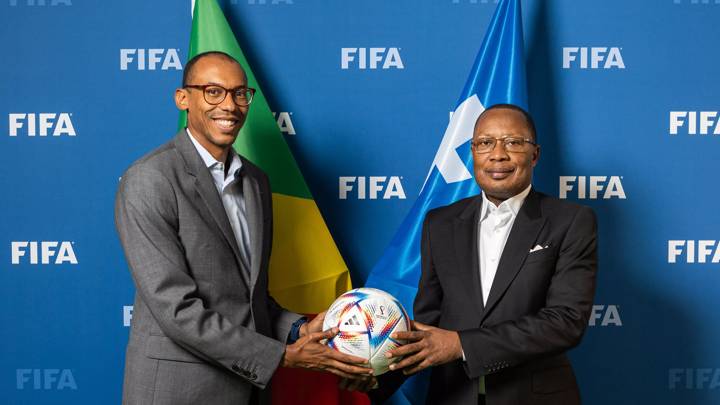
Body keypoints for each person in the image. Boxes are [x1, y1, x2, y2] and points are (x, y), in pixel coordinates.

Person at [115, 51, 372, 405]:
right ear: (182, 99)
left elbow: (249, 299)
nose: (230, 105)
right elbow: (176, 311)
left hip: (248, 391)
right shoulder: (149, 179)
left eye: (239, 93)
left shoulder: (255, 181)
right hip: (178, 390)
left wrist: (300, 329)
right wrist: (282, 356)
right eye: (213, 92)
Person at [372, 104, 598, 404]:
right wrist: (375, 377)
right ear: (472, 152)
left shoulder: (571, 221)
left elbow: (566, 321)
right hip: (451, 396)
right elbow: (429, 324)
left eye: (514, 142)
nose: (498, 154)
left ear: (535, 154)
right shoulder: (439, 223)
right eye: (485, 143)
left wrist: (461, 345)